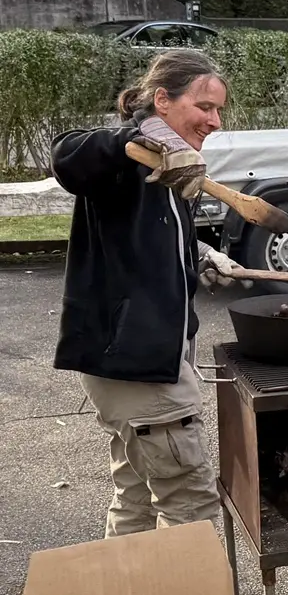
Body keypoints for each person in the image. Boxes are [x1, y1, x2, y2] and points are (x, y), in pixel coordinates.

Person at [52, 50, 249, 537]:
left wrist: (199, 254)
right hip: (137, 365)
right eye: (204, 106)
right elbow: (67, 155)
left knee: (136, 497)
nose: (214, 120)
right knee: (191, 502)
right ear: (162, 99)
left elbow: (143, 238)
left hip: (144, 361)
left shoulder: (173, 164)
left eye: (219, 109)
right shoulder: (125, 156)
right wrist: (137, 139)